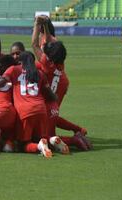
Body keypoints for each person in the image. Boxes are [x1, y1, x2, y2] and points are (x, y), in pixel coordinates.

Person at [32, 16, 92, 151]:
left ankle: (74, 139)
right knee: (53, 115)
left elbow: (34, 45)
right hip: (60, 85)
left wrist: (37, 24)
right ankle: (78, 130)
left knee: (43, 137)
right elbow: (47, 40)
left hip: (52, 90)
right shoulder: (59, 58)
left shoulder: (47, 62)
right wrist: (46, 25)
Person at [0, 51, 62, 158]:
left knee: (22, 144)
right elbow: (51, 96)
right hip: (41, 110)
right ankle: (52, 140)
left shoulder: (13, 69)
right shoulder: (40, 73)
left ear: (20, 61)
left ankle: (39, 147)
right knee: (38, 138)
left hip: (25, 112)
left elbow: (0, 83)